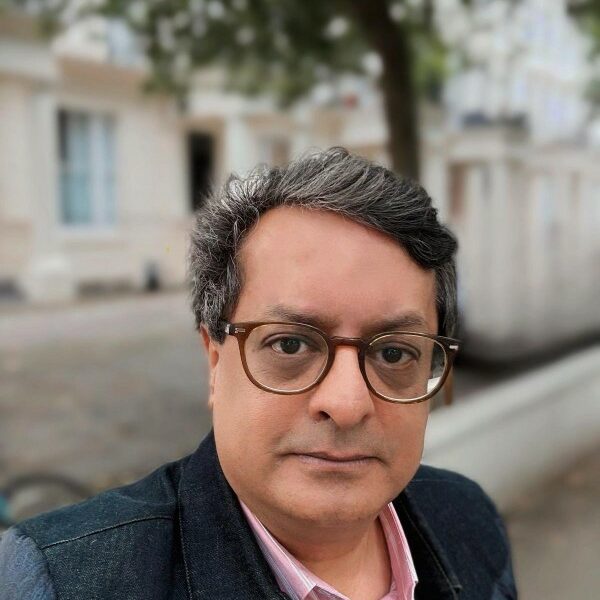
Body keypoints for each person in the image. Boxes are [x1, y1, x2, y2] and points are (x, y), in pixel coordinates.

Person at [0, 148, 517, 599]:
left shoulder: (468, 519)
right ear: (214, 360)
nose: (347, 403)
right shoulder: (63, 580)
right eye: (290, 344)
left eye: (395, 354)